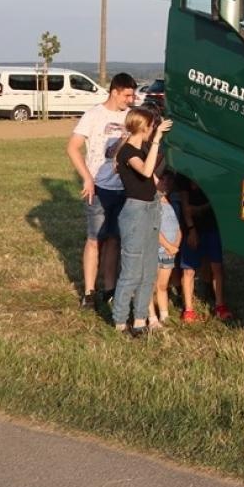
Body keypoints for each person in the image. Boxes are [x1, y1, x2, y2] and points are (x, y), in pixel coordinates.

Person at [67, 73, 138, 310]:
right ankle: (89, 292)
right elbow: (73, 147)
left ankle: (110, 288)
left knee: (114, 240)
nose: (131, 99)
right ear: (115, 91)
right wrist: (87, 177)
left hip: (123, 189)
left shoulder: (130, 116)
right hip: (98, 188)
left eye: (133, 95)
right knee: (95, 240)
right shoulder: (94, 115)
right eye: (127, 95)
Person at [112, 108, 172, 336]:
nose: (154, 130)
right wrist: (157, 141)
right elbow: (146, 172)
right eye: (152, 126)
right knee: (132, 270)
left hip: (151, 209)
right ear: (143, 127)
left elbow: (155, 180)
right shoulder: (127, 152)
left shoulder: (140, 149)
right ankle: (119, 321)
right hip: (135, 213)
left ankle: (139, 320)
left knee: (148, 270)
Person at [179, 175, 230, 322]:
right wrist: (191, 229)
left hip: (213, 226)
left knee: (217, 267)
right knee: (188, 269)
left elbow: (219, 200)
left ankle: (220, 305)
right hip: (194, 227)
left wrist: (200, 208)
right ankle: (188, 309)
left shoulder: (211, 170)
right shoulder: (184, 174)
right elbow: (185, 206)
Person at [151, 170, 182, 326]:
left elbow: (178, 228)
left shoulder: (171, 203)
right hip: (158, 250)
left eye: (169, 181)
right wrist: (168, 245)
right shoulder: (153, 204)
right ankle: (152, 317)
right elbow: (154, 229)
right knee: (151, 285)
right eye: (163, 180)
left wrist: (176, 243)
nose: (166, 183)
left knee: (163, 285)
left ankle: (164, 315)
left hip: (170, 252)